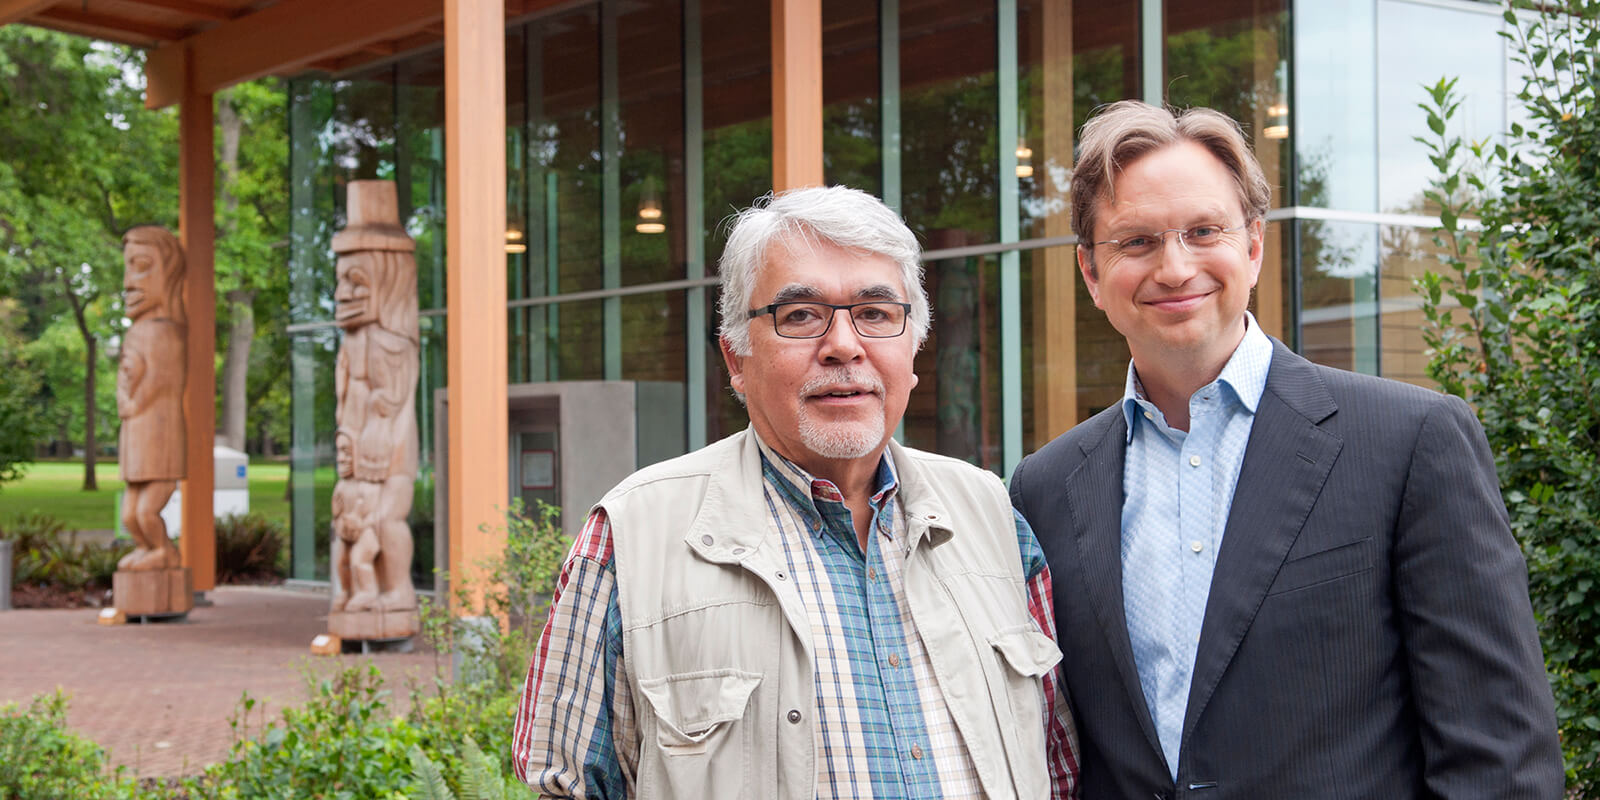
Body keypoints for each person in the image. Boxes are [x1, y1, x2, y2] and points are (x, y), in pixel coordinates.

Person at [1009, 100, 1563, 799]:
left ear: (1254, 247)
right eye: (1137, 242)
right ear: (1090, 272)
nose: (1175, 268)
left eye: (1203, 231)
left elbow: (1501, 759)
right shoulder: (1045, 488)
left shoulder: (1409, 442)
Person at [513, 186, 1078, 799]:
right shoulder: (630, 537)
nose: (843, 345)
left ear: (913, 349)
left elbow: (1059, 766)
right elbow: (565, 786)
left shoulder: (992, 515)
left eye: (877, 313)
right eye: (801, 315)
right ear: (736, 357)